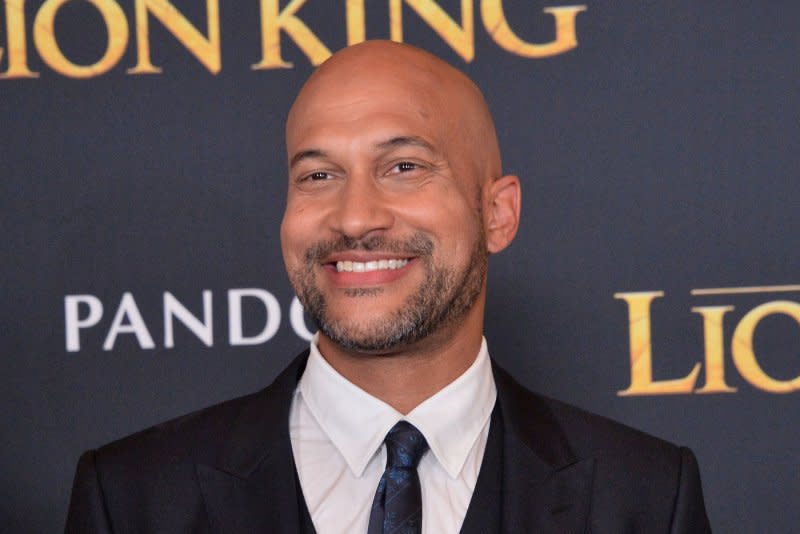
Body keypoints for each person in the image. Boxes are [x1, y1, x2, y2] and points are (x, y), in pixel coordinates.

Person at [65, 40, 712, 533]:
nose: (354, 218)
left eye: (404, 167)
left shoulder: (647, 498)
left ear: (498, 213)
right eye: (317, 176)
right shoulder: (132, 499)